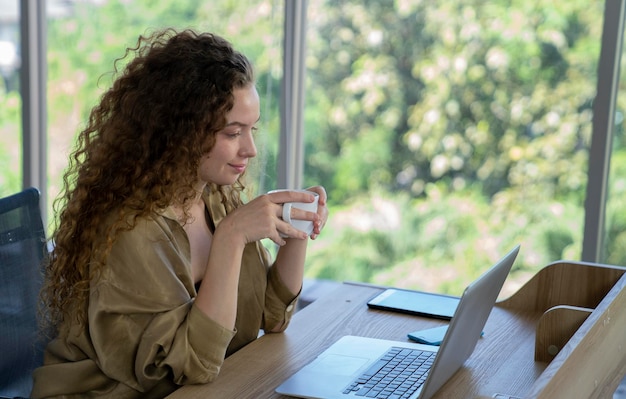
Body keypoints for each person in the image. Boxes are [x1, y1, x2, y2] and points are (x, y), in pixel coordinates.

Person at [31, 28, 328, 398]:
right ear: (181, 132)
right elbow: (190, 367)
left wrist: (299, 226)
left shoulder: (217, 198)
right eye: (233, 133)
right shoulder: (131, 230)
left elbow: (273, 316)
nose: (250, 149)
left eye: (252, 129)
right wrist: (232, 237)